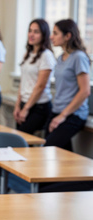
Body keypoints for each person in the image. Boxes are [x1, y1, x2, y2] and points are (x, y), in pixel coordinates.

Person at [45, 19, 91, 151]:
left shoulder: (79, 57)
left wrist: (62, 116)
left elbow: (85, 91)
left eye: (55, 33)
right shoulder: (60, 58)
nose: (51, 36)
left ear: (68, 36)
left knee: (49, 148)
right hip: (57, 110)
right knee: (59, 153)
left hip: (73, 114)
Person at [13, 19, 56, 134]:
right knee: (22, 144)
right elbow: (23, 82)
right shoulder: (28, 54)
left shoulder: (46, 55)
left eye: (36, 32)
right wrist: (18, 106)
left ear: (44, 35)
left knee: (21, 138)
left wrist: (26, 109)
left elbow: (40, 86)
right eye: (30, 31)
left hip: (39, 107)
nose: (31, 34)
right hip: (24, 103)